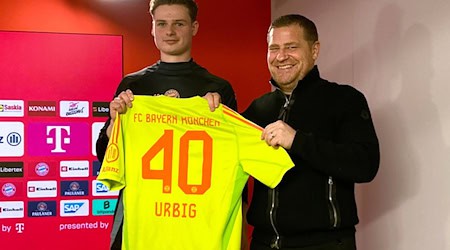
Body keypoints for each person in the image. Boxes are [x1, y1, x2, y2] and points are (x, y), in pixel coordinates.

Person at [96, 0, 237, 249]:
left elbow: (233, 160)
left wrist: (218, 117)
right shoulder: (132, 86)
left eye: (178, 24)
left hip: (195, 219)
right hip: (140, 217)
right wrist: (115, 123)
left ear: (194, 27)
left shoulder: (217, 89)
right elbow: (104, 155)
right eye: (161, 24)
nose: (169, 32)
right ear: (152, 28)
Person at [241, 14, 380, 250]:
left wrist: (297, 141)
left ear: (314, 50)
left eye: (291, 47)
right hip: (263, 243)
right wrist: (202, 109)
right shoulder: (257, 109)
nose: (281, 56)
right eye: (274, 48)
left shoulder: (345, 100)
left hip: (326, 244)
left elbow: (365, 165)